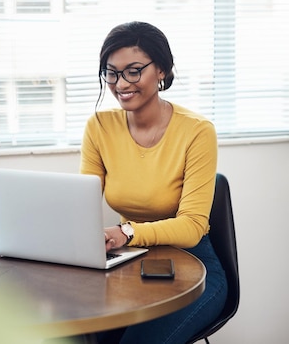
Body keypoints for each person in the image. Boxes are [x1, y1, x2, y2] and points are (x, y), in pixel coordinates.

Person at [80, 21, 228, 344]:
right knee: (80, 335)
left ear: (161, 69)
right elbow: (81, 206)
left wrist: (127, 232)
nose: (121, 84)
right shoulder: (99, 127)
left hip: (195, 271)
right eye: (112, 72)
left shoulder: (197, 131)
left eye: (134, 71)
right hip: (128, 268)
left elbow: (191, 227)